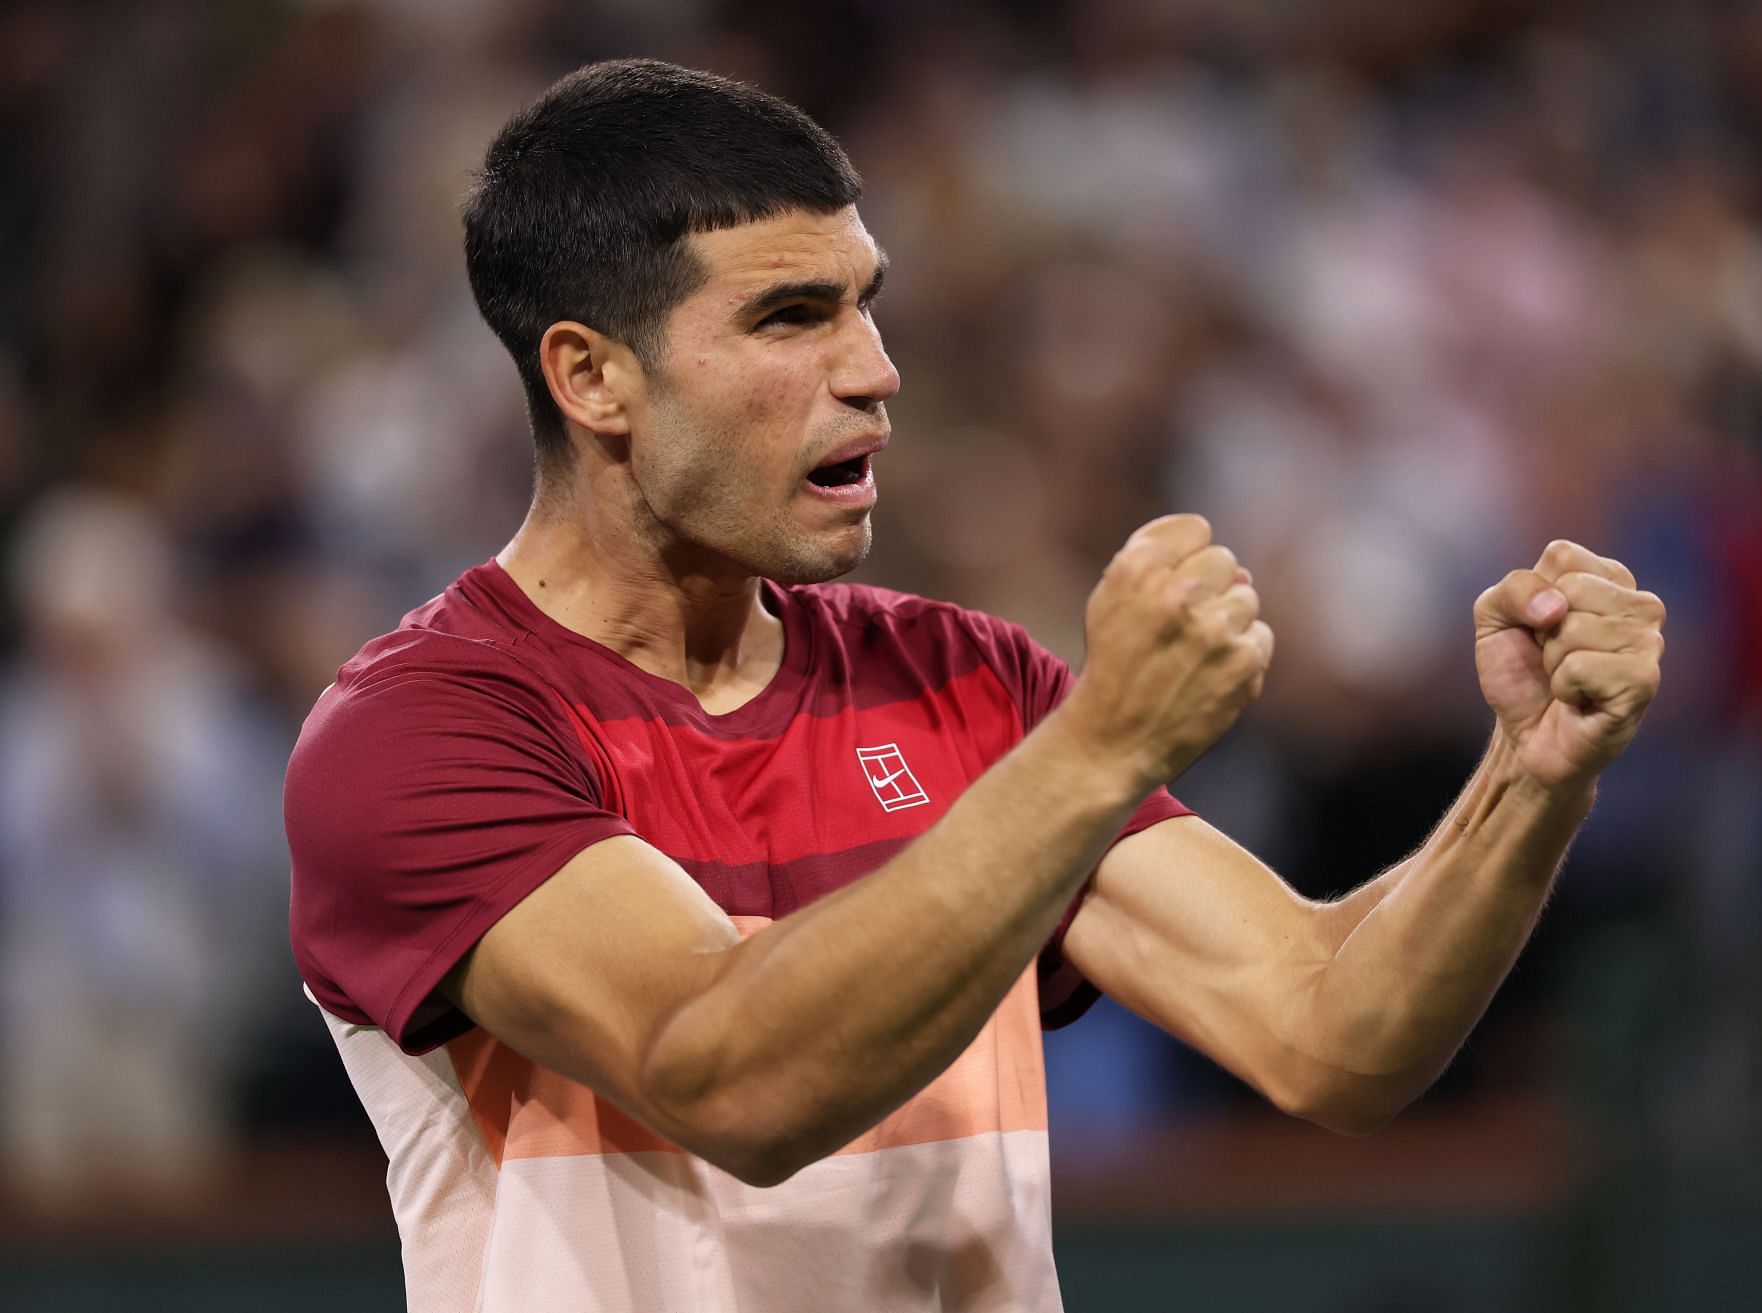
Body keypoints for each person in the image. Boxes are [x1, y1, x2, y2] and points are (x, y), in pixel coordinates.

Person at [284, 58, 1667, 1313]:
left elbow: (1335, 1029)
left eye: (865, 307)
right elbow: (729, 1070)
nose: (877, 373)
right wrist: (1095, 750)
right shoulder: (422, 731)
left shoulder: (968, 681)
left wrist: (1531, 776)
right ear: (592, 376)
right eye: (789, 318)